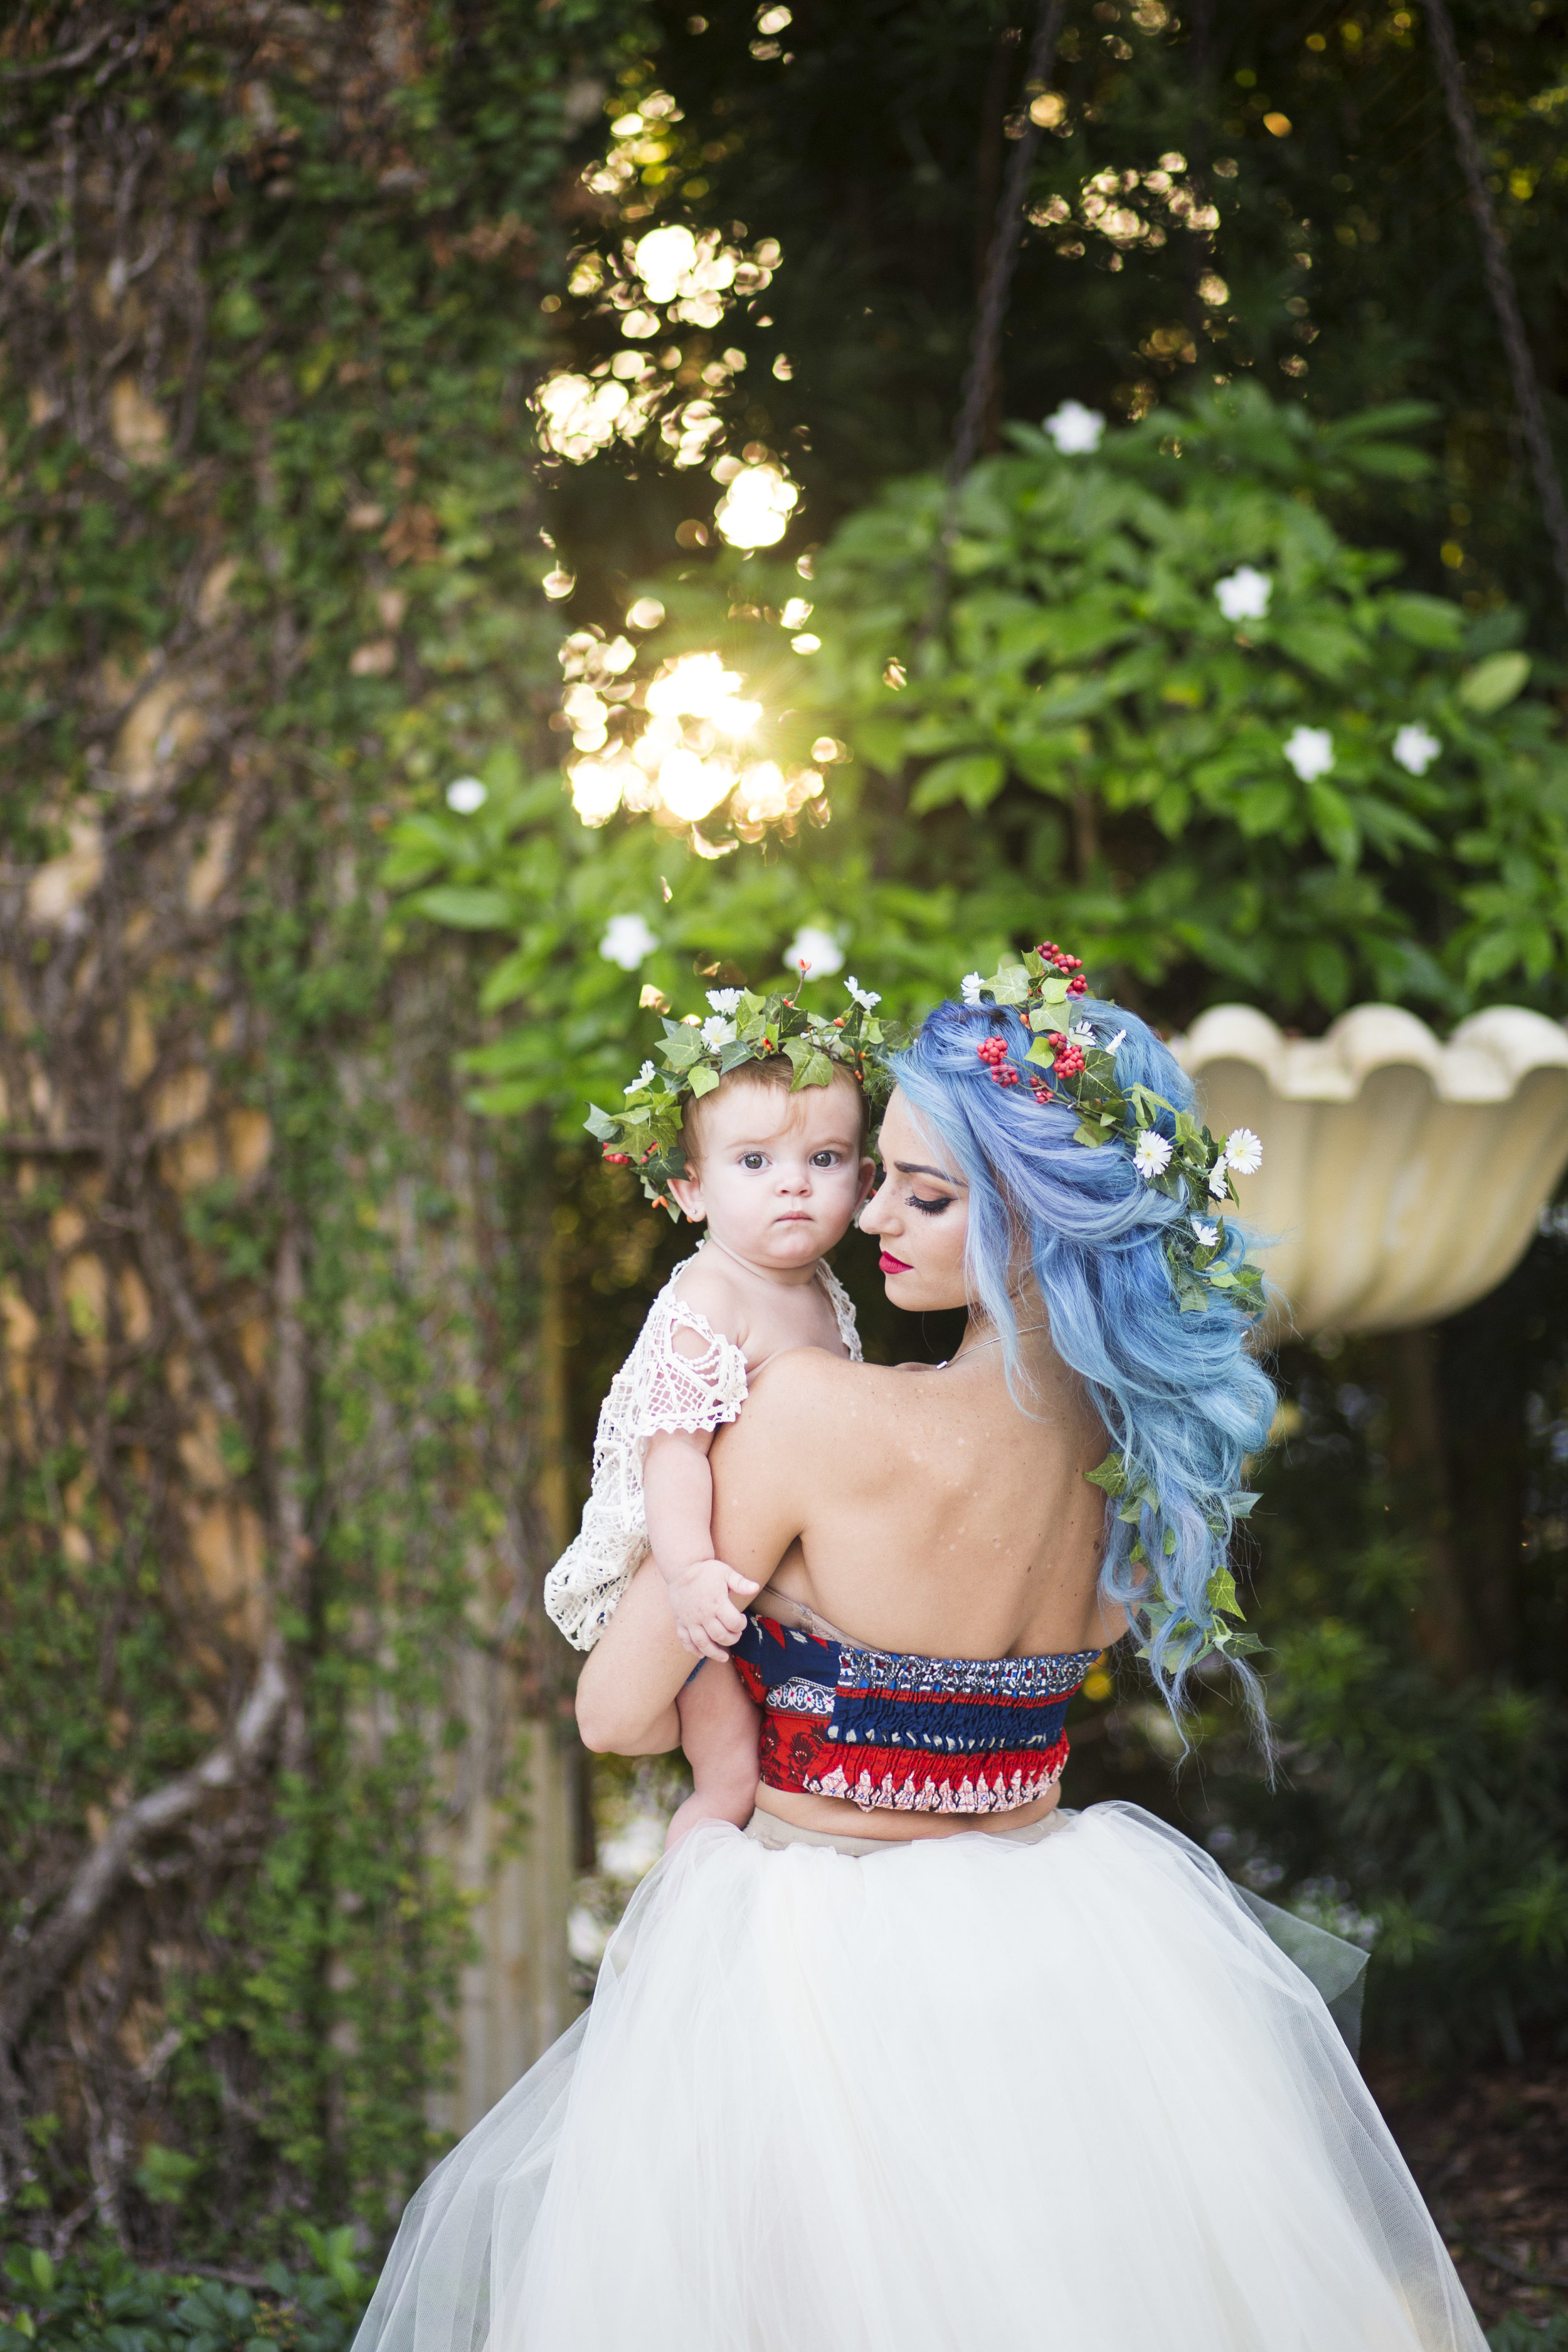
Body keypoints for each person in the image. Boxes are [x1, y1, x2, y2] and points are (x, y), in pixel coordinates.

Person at [354, 953, 1487, 2352]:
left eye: (919, 1192)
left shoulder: (816, 1419)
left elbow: (612, 1709)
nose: (865, 1214)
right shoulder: (1136, 1466)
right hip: (1064, 1945)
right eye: (871, 1171)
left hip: (810, 1968)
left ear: (1028, 1224)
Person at [543, 978, 882, 1845]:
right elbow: (675, 1452)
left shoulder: (816, 1288)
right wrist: (690, 1572)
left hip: (754, 1574)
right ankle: (688, 1914)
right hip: (684, 1560)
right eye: (755, 1162)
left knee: (776, 1764)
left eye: (825, 1160)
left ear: (865, 1177)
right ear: (691, 1189)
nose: (794, 1187)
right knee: (730, 1771)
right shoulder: (713, 1293)